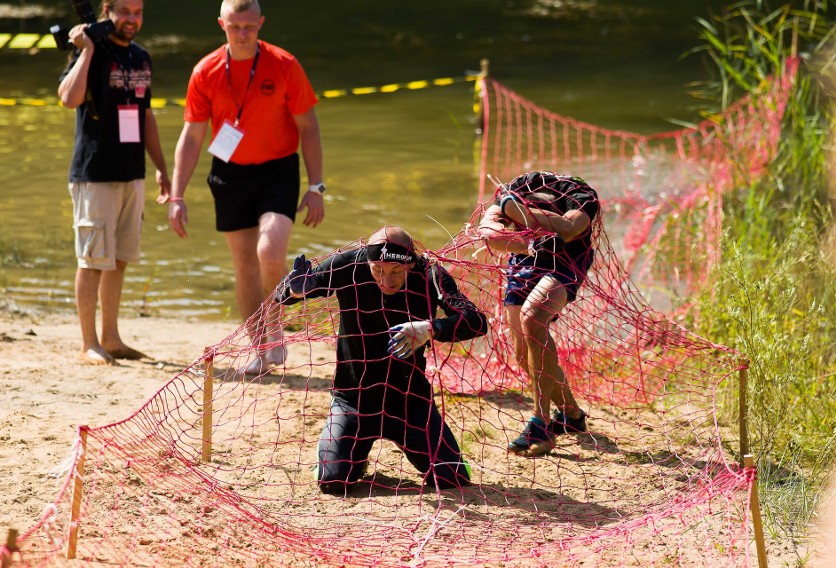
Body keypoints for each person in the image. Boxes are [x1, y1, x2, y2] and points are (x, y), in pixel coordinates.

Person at [166, 0, 325, 376]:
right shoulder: (205, 71)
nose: (242, 34)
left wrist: (316, 186)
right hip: (229, 172)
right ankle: (259, 348)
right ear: (221, 24)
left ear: (261, 24)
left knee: (269, 252)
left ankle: (275, 330)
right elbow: (191, 136)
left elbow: (309, 126)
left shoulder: (284, 64)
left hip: (278, 170)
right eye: (235, 27)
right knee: (244, 267)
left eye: (249, 27)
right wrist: (176, 195)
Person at [274, 226, 488, 494]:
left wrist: (430, 329)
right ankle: (352, 459)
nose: (386, 280)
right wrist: (293, 291)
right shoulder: (348, 264)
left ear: (410, 264)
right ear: (368, 261)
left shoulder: (430, 274)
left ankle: (447, 459)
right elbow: (283, 294)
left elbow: (477, 322)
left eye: (396, 272)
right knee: (333, 481)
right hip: (354, 401)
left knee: (451, 478)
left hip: (410, 401)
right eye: (378, 270)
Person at [58, 0, 171, 365]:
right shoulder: (92, 49)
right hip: (94, 173)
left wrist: (161, 169)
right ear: (107, 10)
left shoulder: (141, 57)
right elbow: (68, 98)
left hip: (131, 173)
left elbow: (146, 116)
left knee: (119, 260)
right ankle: (88, 344)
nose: (131, 20)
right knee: (92, 261)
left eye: (137, 13)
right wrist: (86, 51)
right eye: (124, 11)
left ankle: (112, 338)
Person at [477, 171, 600, 457]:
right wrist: (530, 243)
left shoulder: (582, 195)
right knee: (524, 356)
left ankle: (540, 422)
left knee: (533, 318)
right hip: (525, 259)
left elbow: (569, 229)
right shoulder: (515, 187)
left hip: (566, 261)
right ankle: (571, 414)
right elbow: (488, 233)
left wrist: (518, 212)